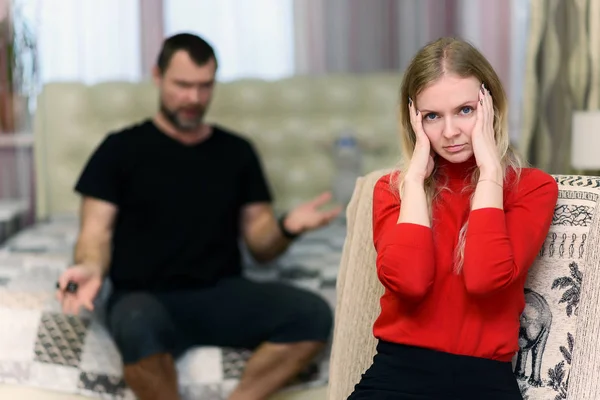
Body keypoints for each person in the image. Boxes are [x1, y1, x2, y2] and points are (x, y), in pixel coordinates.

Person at [55, 33, 341, 400]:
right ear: (157, 76)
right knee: (137, 325)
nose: (194, 98)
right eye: (183, 85)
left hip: (220, 293)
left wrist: (286, 227)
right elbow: (95, 234)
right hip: (145, 296)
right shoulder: (119, 149)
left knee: (312, 314)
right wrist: (91, 268)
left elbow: (261, 246)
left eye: (205, 86)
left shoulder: (237, 152)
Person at [347, 37, 558, 399]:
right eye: (432, 116)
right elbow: (410, 284)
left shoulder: (532, 188)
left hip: (484, 382)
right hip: (396, 376)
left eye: (465, 110)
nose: (449, 132)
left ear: (490, 106)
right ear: (413, 119)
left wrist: (490, 170)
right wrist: (414, 181)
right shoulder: (392, 190)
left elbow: (485, 281)